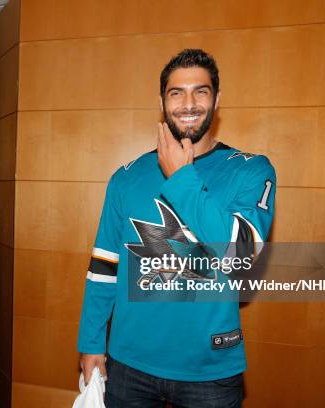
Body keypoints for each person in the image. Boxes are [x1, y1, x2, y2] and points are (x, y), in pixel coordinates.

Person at [78, 49, 276, 407]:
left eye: (200, 91)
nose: (189, 103)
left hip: (209, 371)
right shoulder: (125, 178)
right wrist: (91, 342)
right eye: (176, 93)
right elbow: (103, 268)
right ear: (162, 102)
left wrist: (181, 178)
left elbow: (243, 257)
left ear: (217, 99)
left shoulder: (250, 170)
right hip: (129, 363)